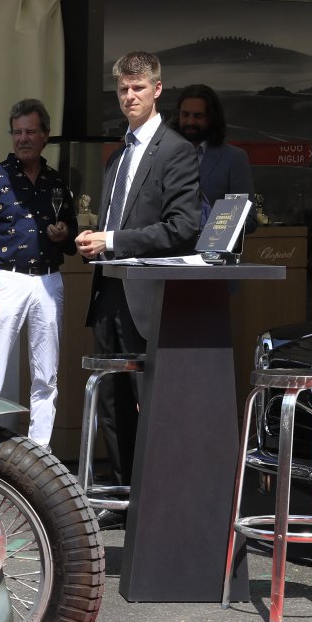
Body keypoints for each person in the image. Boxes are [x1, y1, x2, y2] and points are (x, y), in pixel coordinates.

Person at [75, 51, 201, 488]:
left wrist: (111, 240)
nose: (130, 96)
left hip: (146, 296)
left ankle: (157, 500)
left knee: (149, 399)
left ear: (157, 89)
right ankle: (125, 496)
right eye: (123, 89)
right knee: (111, 402)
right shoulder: (116, 156)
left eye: (138, 88)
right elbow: (118, 223)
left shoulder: (176, 151)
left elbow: (183, 228)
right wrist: (95, 243)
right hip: (108, 290)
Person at [0, 98, 77, 444]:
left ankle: (40, 450)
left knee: (46, 374)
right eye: (17, 132)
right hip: (5, 279)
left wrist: (64, 233)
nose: (23, 139)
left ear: (45, 135)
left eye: (30, 132)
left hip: (48, 278)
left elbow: (72, 235)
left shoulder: (56, 182)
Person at [171, 84, 255, 230]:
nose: (190, 122)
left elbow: (248, 219)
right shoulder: (163, 155)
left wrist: (208, 227)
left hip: (212, 244)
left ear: (212, 117)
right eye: (185, 115)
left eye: (198, 116)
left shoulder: (233, 158)